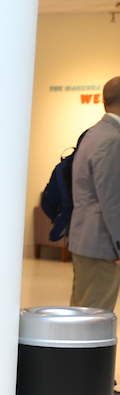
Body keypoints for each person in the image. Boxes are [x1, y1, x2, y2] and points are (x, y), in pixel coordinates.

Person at [68, 77, 120, 311]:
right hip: (101, 243)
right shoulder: (112, 139)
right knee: (93, 315)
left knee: (82, 309)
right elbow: (112, 199)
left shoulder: (95, 133)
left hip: (87, 238)